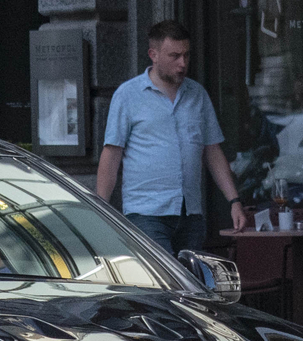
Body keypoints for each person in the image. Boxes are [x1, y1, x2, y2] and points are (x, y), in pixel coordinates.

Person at [94, 19, 248, 252]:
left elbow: (212, 151)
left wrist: (234, 201)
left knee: (190, 285)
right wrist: (100, 209)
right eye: (174, 56)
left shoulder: (197, 94)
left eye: (186, 55)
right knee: (165, 286)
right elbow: (112, 154)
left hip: (190, 213)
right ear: (153, 54)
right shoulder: (128, 95)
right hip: (146, 214)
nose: (182, 63)